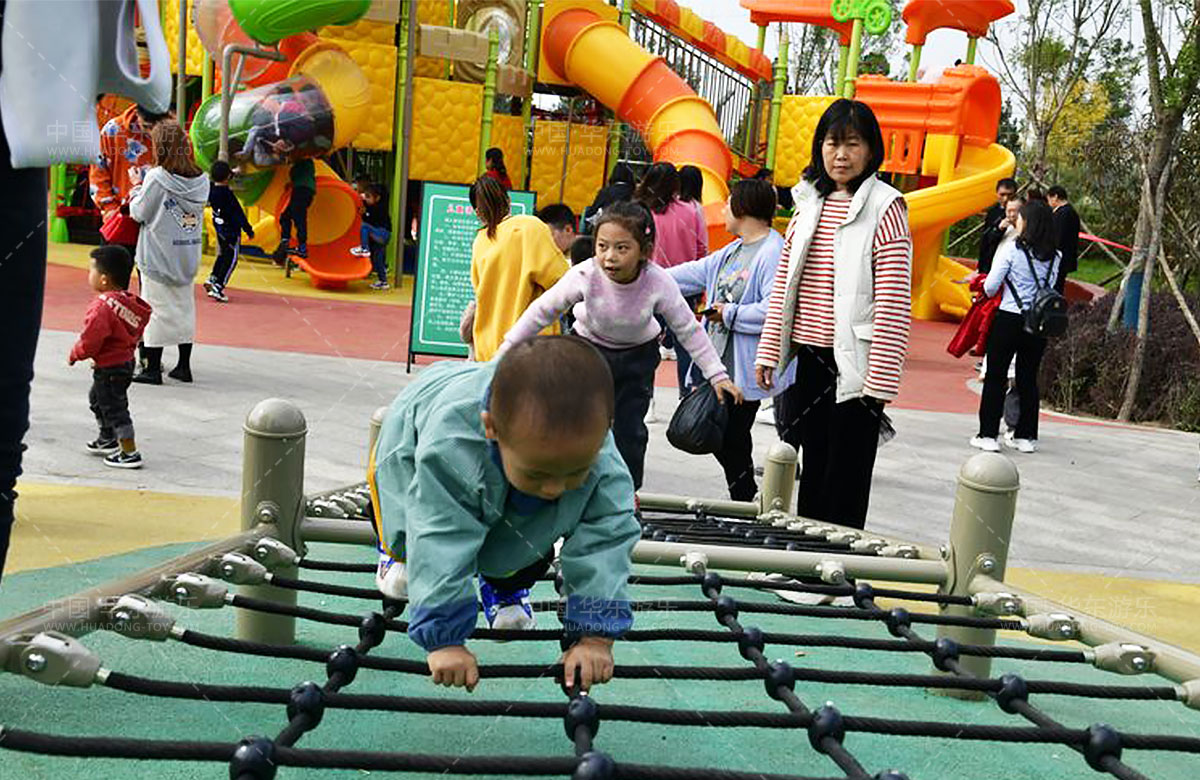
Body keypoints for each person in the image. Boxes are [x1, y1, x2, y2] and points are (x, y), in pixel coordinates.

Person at [369, 336, 640, 692]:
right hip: (413, 431)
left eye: (575, 472)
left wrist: (595, 636)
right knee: (407, 526)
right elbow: (439, 533)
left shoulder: (600, 461)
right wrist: (445, 639)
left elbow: (607, 540)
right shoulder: (452, 446)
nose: (554, 488)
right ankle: (393, 552)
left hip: (505, 443)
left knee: (528, 535)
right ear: (491, 428)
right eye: (539, 473)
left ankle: (502, 584)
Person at [499, 201, 741, 490]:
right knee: (577, 423)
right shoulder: (585, 274)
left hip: (636, 360)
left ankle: (626, 494)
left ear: (644, 250)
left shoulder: (657, 281)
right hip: (587, 353)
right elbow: (543, 310)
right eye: (602, 246)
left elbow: (688, 329)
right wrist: (507, 349)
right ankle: (573, 485)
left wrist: (717, 375)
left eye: (622, 248)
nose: (609, 257)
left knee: (629, 431)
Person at [755, 99, 912, 530]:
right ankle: (811, 555)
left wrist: (880, 381)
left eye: (852, 144)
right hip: (812, 357)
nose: (841, 155)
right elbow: (784, 286)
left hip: (857, 363)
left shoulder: (886, 207)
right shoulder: (809, 204)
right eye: (832, 143)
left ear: (871, 150)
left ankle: (841, 559)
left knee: (847, 474)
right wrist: (769, 350)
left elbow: (894, 300)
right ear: (819, 148)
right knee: (813, 463)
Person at [668, 179, 795, 501]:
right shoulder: (734, 249)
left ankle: (746, 497)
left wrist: (729, 314)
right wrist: (647, 276)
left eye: (728, 202)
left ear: (743, 207)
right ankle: (746, 498)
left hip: (748, 366)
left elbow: (775, 309)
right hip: (721, 363)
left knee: (729, 434)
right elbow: (695, 272)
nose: (724, 209)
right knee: (728, 434)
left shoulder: (773, 251)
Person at [971, 199, 1061, 455]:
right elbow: (1051, 286)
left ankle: (988, 435)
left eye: (1021, 217)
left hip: (1009, 318)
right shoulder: (1056, 256)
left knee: (996, 377)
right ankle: (1025, 436)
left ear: (1028, 222)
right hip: (1038, 323)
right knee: (1027, 378)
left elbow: (991, 286)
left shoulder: (1011, 249)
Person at [129, 120, 210, 385]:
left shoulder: (157, 177)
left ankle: (152, 369)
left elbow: (139, 212)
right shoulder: (202, 179)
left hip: (158, 254)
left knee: (155, 310)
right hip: (186, 255)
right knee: (184, 309)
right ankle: (183, 367)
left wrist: (135, 187)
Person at [463, 175, 568, 362]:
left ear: (478, 212)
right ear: (508, 200)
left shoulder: (480, 242)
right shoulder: (531, 227)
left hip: (489, 349)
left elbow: (480, 292)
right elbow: (562, 281)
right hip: (533, 346)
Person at [68, 246, 152, 469]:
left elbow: (91, 338)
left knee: (115, 409)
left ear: (104, 279)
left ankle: (129, 452)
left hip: (110, 367)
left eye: (91, 270)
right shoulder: (129, 302)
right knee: (98, 399)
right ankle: (107, 437)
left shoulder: (101, 306)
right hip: (124, 363)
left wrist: (76, 353)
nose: (89, 275)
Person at [636, 162, 708, 409]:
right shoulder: (692, 209)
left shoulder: (643, 212)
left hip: (648, 286)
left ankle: (647, 398)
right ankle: (687, 396)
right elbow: (702, 248)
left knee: (646, 343)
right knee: (686, 342)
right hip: (684, 286)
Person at [90, 103, 169, 256]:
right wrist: (109, 208)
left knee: (154, 271)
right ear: (137, 114)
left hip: (157, 220)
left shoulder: (173, 133)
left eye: (156, 126)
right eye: (147, 126)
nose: (152, 131)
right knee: (112, 268)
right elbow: (98, 171)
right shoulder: (113, 130)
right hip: (121, 216)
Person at [204, 160, 254, 303]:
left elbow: (216, 180)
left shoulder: (212, 190)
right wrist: (248, 229)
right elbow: (239, 214)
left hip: (220, 229)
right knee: (231, 258)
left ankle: (213, 277)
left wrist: (230, 172)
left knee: (223, 255)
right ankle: (218, 286)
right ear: (228, 177)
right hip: (231, 231)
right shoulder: (228, 195)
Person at [351, 182, 392, 290]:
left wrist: (364, 212)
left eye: (368, 197)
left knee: (364, 226)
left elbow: (369, 218)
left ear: (377, 198)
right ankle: (383, 281)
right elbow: (368, 218)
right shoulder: (372, 207)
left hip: (382, 234)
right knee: (378, 259)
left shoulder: (380, 208)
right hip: (380, 236)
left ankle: (364, 249)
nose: (366, 199)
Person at [274, 157, 316, 262]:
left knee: (299, 218)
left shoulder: (305, 160)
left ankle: (302, 248)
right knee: (286, 216)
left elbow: (303, 174)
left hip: (302, 190)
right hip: (301, 190)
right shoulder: (301, 163)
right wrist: (292, 183)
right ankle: (286, 241)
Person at [977, 177, 1017, 275]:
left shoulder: (1022, 212)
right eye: (1002, 194)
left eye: (1009, 195)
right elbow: (986, 239)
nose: (1006, 199)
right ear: (997, 194)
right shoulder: (993, 212)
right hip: (990, 260)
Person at [584, 162, 637, 233]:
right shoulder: (634, 193)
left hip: (606, 226)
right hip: (627, 228)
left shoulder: (605, 192)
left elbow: (592, 212)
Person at [1047, 185, 1080, 293]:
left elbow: (1058, 237)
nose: (1049, 203)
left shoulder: (1063, 213)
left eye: (1049, 199)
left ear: (1055, 197)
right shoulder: (1071, 212)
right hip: (1066, 257)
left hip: (1060, 258)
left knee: (1056, 286)